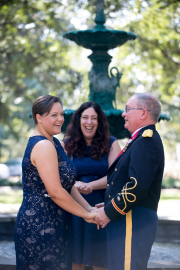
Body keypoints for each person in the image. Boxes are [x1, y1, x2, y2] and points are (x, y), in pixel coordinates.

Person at [14, 95, 98, 270]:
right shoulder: (43, 146)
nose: (60, 119)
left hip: (55, 221)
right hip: (40, 224)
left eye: (61, 114)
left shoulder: (56, 143)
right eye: (54, 115)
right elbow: (55, 192)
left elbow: (66, 185)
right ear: (39, 117)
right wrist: (85, 215)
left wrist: (88, 208)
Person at [95, 93, 165, 270]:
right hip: (127, 218)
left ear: (143, 113)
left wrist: (109, 212)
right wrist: (108, 205)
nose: (123, 114)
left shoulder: (146, 141)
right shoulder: (139, 140)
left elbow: (137, 186)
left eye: (127, 109)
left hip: (132, 221)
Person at [62, 101, 121, 270]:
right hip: (73, 207)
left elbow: (114, 176)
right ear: (78, 120)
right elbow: (60, 177)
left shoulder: (111, 143)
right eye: (85, 117)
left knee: (100, 260)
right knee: (75, 261)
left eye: (94, 118)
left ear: (99, 122)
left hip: (100, 208)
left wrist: (90, 186)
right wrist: (76, 185)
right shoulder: (66, 145)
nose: (89, 122)